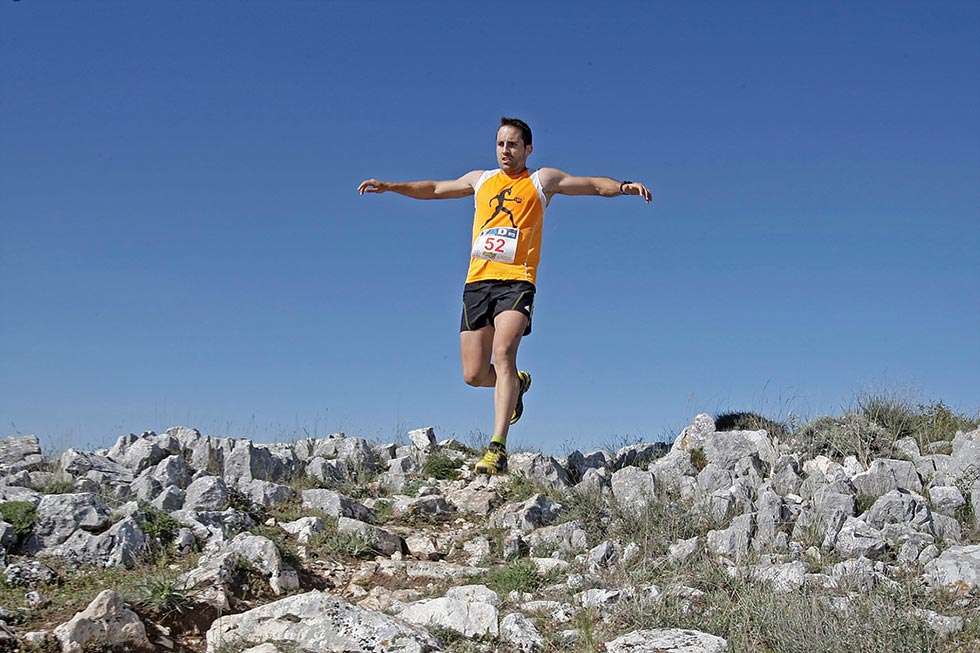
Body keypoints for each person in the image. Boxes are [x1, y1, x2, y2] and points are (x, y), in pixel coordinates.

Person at [357, 117, 652, 475]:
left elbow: (590, 184)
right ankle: (518, 383)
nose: (505, 151)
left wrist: (623, 186)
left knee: (503, 352)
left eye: (512, 144)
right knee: (474, 374)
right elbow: (434, 188)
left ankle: (496, 448)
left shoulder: (541, 180)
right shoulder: (480, 180)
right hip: (477, 283)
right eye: (500, 144)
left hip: (517, 281)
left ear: (528, 148)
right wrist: (390, 186)